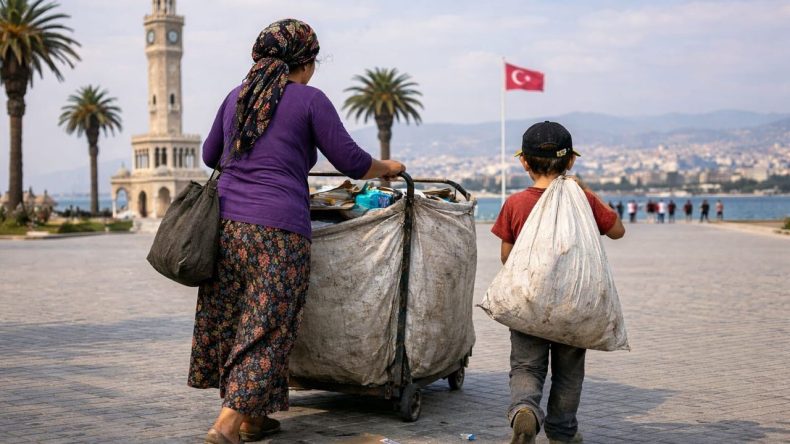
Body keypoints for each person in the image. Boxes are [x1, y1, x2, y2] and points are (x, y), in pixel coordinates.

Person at [189, 19, 406, 444]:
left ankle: (253, 420)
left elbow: (210, 154)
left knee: (237, 322)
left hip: (227, 229)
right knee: (269, 326)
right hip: (279, 231)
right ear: (304, 63)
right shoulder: (309, 100)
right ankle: (226, 427)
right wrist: (388, 168)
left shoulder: (236, 98)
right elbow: (351, 161)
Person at [491, 121, 625, 444]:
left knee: (526, 366)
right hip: (573, 306)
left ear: (523, 161)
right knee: (568, 374)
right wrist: (586, 191)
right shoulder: (582, 201)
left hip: (528, 304)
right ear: (571, 162)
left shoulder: (515, 203)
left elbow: (506, 256)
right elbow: (618, 229)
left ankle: (525, 411)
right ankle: (563, 432)